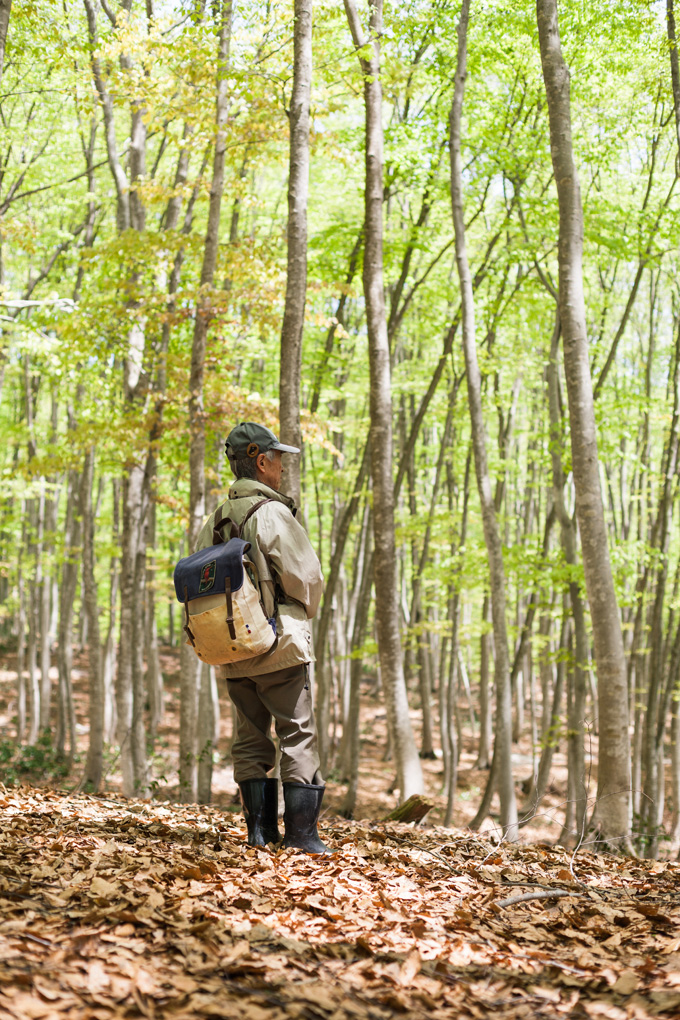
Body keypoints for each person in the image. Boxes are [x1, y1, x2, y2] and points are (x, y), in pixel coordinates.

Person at [195, 421, 332, 854]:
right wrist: (301, 610)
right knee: (298, 733)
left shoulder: (213, 518)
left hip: (232, 647)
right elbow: (307, 577)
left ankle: (258, 833)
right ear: (258, 459)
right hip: (280, 645)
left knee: (250, 736)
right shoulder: (272, 513)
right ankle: (302, 836)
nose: (281, 467)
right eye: (276, 458)